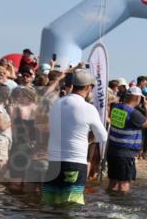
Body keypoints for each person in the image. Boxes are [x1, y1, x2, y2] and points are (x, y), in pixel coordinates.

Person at [43, 67, 108, 206]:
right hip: (74, 162)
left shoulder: (57, 103)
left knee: (50, 204)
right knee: (71, 206)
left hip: (53, 161)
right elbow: (103, 137)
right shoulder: (88, 108)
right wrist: (90, 139)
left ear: (72, 85)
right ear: (88, 87)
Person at [106, 86, 147, 193]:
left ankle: (109, 203)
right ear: (137, 98)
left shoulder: (116, 107)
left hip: (113, 151)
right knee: (124, 184)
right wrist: (146, 107)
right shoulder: (133, 113)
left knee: (112, 183)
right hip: (125, 154)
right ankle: (122, 206)